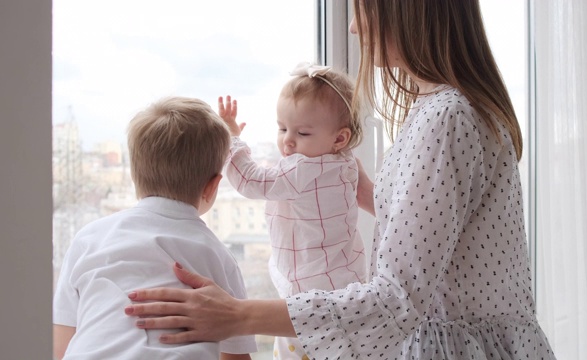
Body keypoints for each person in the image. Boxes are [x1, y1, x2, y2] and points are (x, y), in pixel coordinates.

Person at [124, 1, 557, 359]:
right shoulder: (450, 110)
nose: (352, 27)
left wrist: (238, 315)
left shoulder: (444, 119)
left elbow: (395, 302)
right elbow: (412, 223)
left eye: (362, 10)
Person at [53, 97, 256, 360]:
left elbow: (60, 346)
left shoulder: (89, 239)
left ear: (135, 176)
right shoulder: (216, 255)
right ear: (212, 186)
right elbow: (235, 356)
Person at [217, 61, 367, 360]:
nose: (287, 140)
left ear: (340, 138)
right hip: (346, 286)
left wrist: (232, 140)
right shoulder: (346, 162)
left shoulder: (302, 169)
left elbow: (250, 180)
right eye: (282, 128)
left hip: (307, 298)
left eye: (303, 133)